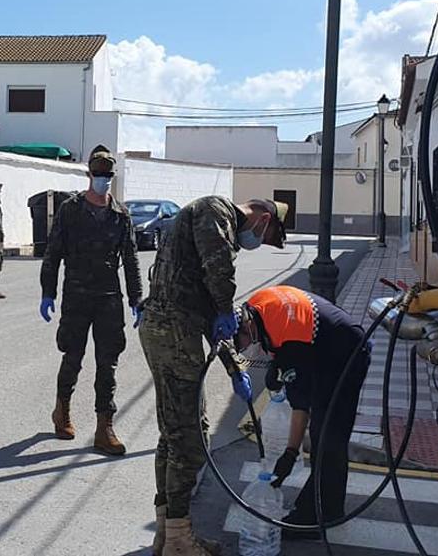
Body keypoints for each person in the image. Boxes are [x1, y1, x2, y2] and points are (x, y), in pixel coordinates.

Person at [138, 195, 288, 555]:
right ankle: (177, 538)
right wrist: (224, 308)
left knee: (173, 435)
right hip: (174, 332)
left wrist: (235, 367)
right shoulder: (215, 210)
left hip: (168, 329)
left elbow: (213, 318)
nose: (256, 245)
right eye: (265, 237)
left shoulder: (208, 225)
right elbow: (219, 273)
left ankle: (168, 532)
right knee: (190, 441)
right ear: (264, 219)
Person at [233, 285, 372, 540]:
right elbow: (282, 340)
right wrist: (277, 363)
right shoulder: (255, 307)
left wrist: (290, 451)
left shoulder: (291, 340)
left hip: (346, 354)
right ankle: (326, 507)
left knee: (328, 434)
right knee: (325, 433)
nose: (244, 351)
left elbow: (301, 404)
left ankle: (318, 517)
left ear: (248, 328)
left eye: (241, 344)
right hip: (323, 347)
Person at [39, 145, 142, 455]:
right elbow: (53, 252)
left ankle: (104, 426)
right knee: (73, 356)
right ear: (89, 175)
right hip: (77, 296)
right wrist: (48, 291)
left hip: (109, 297)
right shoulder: (70, 210)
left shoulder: (121, 214)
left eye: (108, 176)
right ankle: (63, 411)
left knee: (107, 363)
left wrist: (137, 297)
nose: (103, 181)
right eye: (98, 175)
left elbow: (131, 258)